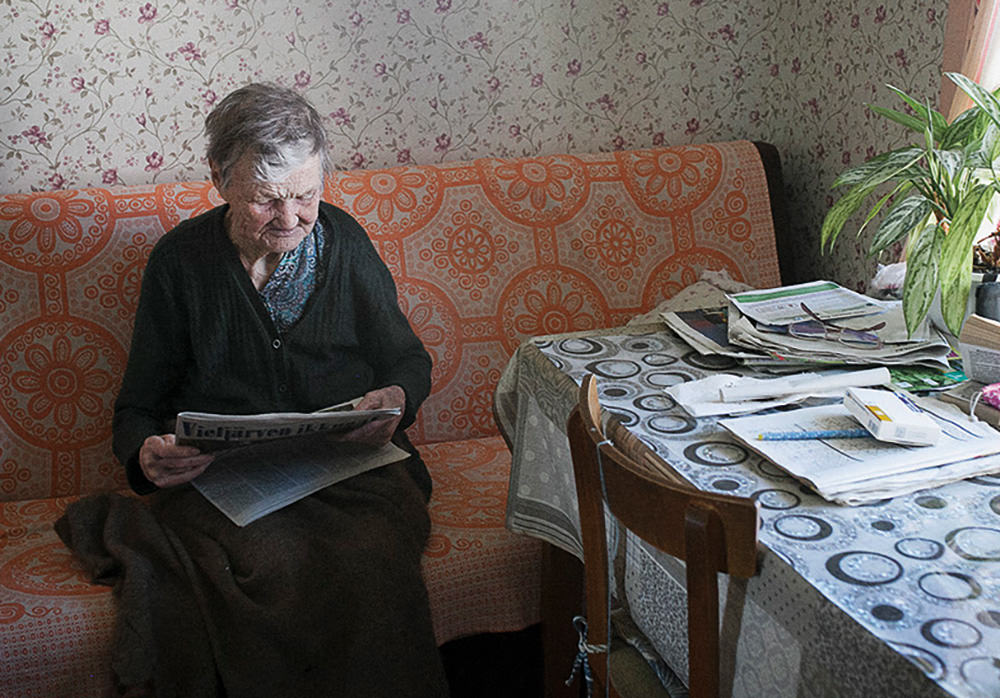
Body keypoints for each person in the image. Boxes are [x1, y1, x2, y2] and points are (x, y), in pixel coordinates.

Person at [56, 83, 449, 697]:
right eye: (268, 200)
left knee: (370, 558)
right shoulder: (180, 262)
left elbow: (406, 358)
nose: (290, 218)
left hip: (352, 474)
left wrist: (397, 398)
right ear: (219, 178)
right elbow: (136, 408)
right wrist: (147, 454)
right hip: (225, 482)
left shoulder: (343, 243)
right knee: (262, 565)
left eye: (305, 195)